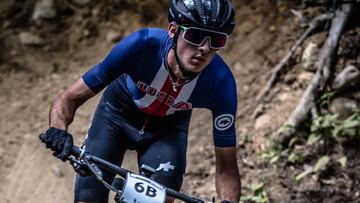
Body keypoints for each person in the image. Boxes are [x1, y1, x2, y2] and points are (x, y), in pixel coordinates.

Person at [40, 0, 241, 202]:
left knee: (161, 198)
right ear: (173, 30)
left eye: (217, 40)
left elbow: (227, 167)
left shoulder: (221, 83)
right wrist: (58, 128)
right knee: (88, 197)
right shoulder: (141, 45)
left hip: (166, 131)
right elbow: (70, 97)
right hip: (116, 116)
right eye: (195, 35)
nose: (204, 48)